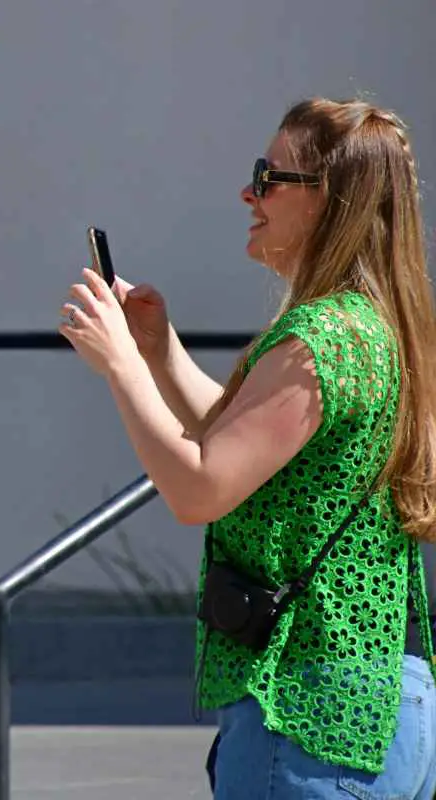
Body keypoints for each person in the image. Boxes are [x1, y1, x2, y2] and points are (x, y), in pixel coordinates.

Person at [59, 97, 436, 797]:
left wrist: (120, 368)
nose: (248, 192)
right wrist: (159, 353)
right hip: (389, 706)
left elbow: (202, 488)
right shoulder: (376, 328)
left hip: (310, 717)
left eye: (269, 176)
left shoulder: (322, 339)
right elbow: (248, 446)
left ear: (329, 200)